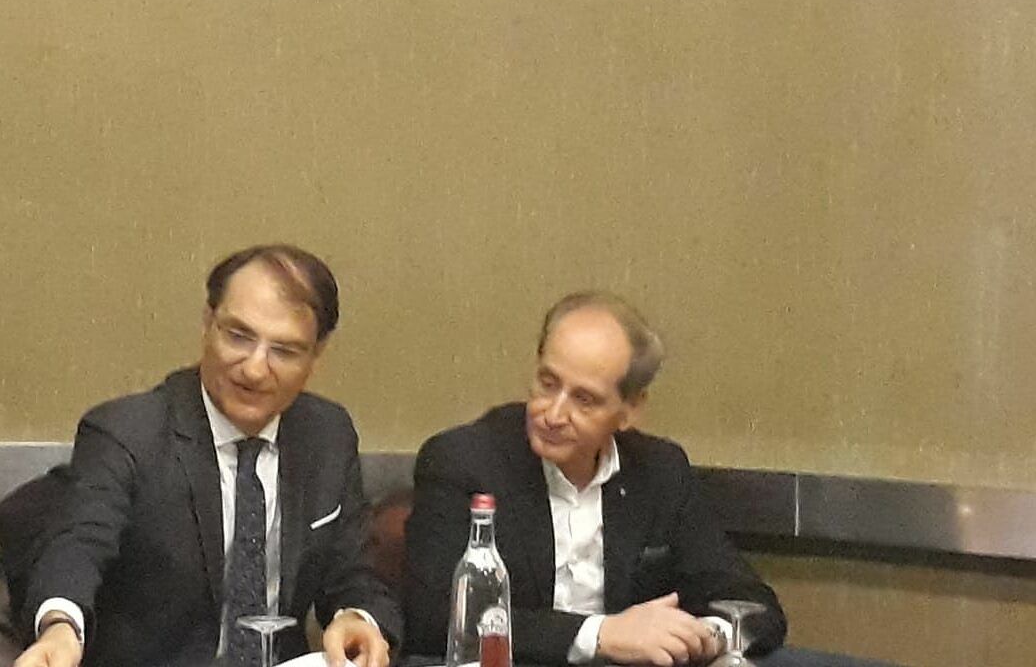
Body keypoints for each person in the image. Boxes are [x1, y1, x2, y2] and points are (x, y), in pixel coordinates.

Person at [15, 244, 400, 667]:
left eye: (284, 351)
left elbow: (353, 573)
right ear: (207, 323)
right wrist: (60, 628)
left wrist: (357, 617)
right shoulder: (127, 432)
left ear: (316, 354)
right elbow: (77, 546)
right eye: (238, 336)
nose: (254, 369)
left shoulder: (326, 435)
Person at [404, 292, 786, 666]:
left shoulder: (660, 471)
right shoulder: (465, 460)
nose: (553, 415)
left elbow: (751, 603)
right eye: (548, 383)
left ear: (630, 410)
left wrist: (705, 638)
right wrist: (599, 635)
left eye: (584, 399)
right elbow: (433, 619)